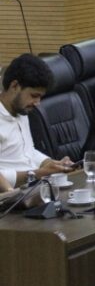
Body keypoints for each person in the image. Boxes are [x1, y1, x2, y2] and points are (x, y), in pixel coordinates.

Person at [0, 54, 74, 187]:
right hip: (11, 198)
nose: (37, 103)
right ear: (14, 86)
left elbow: (28, 152)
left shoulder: (21, 110)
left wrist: (49, 163)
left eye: (40, 97)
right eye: (34, 96)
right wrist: (38, 173)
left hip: (37, 187)